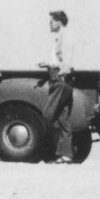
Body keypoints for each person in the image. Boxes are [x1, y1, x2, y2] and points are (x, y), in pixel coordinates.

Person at [42, 10, 76, 163]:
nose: (49, 24)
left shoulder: (65, 35)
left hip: (60, 78)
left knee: (49, 115)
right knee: (62, 117)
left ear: (58, 22)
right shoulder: (60, 36)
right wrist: (49, 64)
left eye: (51, 21)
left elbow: (66, 57)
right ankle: (65, 154)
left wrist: (63, 73)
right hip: (60, 77)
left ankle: (53, 151)